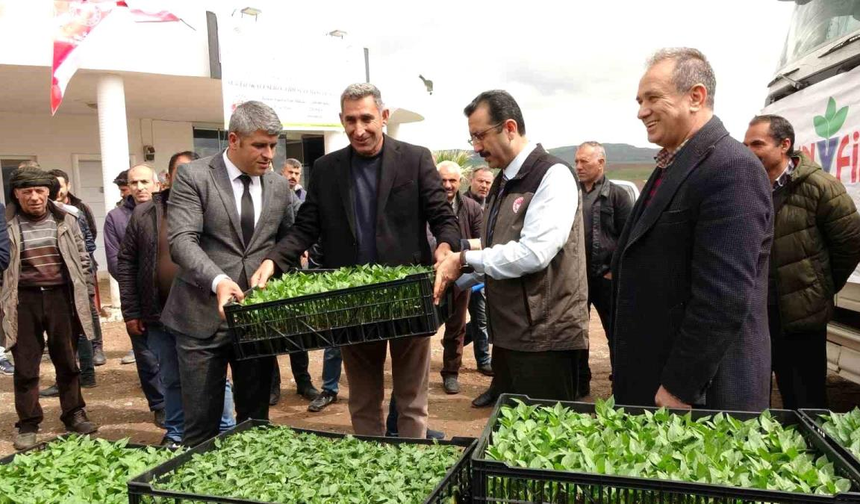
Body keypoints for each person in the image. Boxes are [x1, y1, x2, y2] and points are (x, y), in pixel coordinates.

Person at [250, 83, 459, 438]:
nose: (358, 129)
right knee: (363, 401)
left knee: (411, 401)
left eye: (366, 118)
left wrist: (446, 245)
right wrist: (274, 261)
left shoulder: (415, 158)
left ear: (384, 116)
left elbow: (443, 216)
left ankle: (412, 475)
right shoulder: (328, 168)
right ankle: (373, 470)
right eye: (350, 120)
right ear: (341, 121)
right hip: (353, 304)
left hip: (408, 297)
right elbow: (306, 227)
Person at [610, 48, 773, 411]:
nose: (641, 111)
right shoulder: (675, 163)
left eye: (653, 98)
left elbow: (723, 297)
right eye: (639, 100)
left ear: (695, 97)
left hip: (699, 398)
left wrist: (680, 387)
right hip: (660, 383)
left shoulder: (731, 169)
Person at [434, 89, 589, 406]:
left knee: (544, 439)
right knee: (512, 434)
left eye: (480, 136)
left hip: (545, 338)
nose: (476, 148)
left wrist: (464, 258)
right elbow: (500, 241)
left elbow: (533, 254)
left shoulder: (551, 176)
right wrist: (456, 251)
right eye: (472, 139)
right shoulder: (504, 181)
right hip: (511, 333)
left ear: (508, 127)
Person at [162, 101, 297, 447]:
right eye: (260, 145)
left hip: (256, 319)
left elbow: (286, 242)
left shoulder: (280, 188)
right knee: (201, 428)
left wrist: (275, 265)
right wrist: (218, 280)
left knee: (255, 423)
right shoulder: (195, 176)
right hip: (200, 317)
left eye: (273, 145)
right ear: (234, 139)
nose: (269, 154)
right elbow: (181, 241)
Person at [118, 151, 237, 446]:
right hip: (158, 313)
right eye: (180, 174)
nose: (187, 179)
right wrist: (131, 311)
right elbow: (126, 263)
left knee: (213, 377)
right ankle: (175, 433)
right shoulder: (144, 213)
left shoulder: (211, 208)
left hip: (201, 312)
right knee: (171, 377)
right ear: (168, 178)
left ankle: (225, 430)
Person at [744, 114, 860, 409]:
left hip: (800, 318)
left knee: (805, 400)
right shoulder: (745, 187)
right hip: (756, 313)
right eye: (746, 144)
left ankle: (810, 451)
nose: (749, 151)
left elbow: (850, 242)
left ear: (785, 145)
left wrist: (818, 286)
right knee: (753, 397)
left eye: (757, 143)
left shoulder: (821, 187)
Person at [3, 167, 97, 450]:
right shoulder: (6, 223)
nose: (34, 197)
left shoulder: (67, 220)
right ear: (16, 194)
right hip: (23, 300)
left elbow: (83, 260)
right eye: (27, 191)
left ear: (49, 192)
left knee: (67, 361)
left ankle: (74, 413)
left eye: (39, 191)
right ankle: (28, 422)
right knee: (26, 366)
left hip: (61, 297)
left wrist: (87, 294)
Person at [105, 164, 165, 427]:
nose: (140, 187)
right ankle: (160, 405)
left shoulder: (169, 211)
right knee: (147, 356)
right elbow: (117, 262)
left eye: (144, 182)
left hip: (169, 297)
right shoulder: (116, 218)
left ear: (156, 184)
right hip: (138, 298)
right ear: (127, 187)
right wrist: (140, 287)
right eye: (134, 183)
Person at [573, 141, 633, 397]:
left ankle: (621, 383)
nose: (579, 166)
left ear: (600, 162)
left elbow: (629, 236)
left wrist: (615, 270)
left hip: (606, 277)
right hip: (576, 278)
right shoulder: (570, 193)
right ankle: (579, 383)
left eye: (584, 162)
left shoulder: (618, 195)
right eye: (576, 162)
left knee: (616, 332)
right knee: (576, 333)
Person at [270, 157, 319, 407]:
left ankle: (304, 382)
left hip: (287, 271)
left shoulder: (287, 194)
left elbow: (298, 227)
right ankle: (272, 386)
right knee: (266, 333)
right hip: (261, 274)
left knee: (296, 331)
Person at [47, 168, 105, 365]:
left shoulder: (79, 208)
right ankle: (77, 353)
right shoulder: (46, 211)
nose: (58, 191)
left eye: (61, 186)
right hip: (60, 272)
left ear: (68, 186)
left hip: (83, 266)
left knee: (88, 307)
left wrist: (82, 262)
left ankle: (96, 347)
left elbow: (90, 237)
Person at [436, 161, 483, 394]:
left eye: (452, 180)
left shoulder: (472, 208)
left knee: (456, 327)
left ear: (460, 182)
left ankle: (451, 373)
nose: (447, 185)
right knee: (424, 327)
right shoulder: (425, 206)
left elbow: (483, 241)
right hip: (428, 275)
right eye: (443, 180)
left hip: (460, 276)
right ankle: (412, 376)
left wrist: (458, 251)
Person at [461, 165, 494, 377]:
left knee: (482, 319)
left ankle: (483, 360)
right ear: (471, 180)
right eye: (480, 181)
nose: (483, 185)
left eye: (488, 182)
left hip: (482, 272)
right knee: (448, 319)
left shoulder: (492, 205)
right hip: (460, 268)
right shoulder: (460, 203)